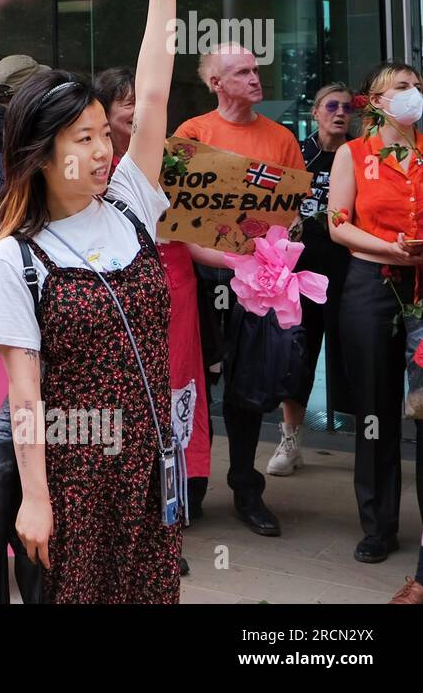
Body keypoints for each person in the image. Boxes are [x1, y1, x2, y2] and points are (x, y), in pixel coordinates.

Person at [0, 0, 194, 603]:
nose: (105, 151)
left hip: (151, 466)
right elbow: (24, 399)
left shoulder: (130, 203)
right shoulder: (17, 257)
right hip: (74, 478)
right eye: (86, 138)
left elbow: (154, 97)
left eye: (106, 134)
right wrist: (36, 500)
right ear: (42, 153)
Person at [174, 43, 304, 539]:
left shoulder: (282, 138)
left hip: (262, 282)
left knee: (250, 385)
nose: (255, 78)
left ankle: (248, 490)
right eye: (242, 72)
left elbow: (291, 216)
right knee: (196, 384)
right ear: (216, 83)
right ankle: (194, 485)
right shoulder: (193, 133)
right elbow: (178, 214)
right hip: (203, 277)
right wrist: (226, 254)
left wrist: (272, 257)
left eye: (256, 69)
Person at [95, 66, 210, 574]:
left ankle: (163, 528)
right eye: (126, 101)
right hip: (111, 300)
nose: (138, 109)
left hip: (170, 292)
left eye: (141, 99)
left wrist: (252, 255)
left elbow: (196, 230)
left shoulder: (168, 162)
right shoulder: (93, 169)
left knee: (167, 403)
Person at [327, 64, 423, 584]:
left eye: (418, 88)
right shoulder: (354, 153)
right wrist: (388, 247)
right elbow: (337, 223)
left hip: (422, 286)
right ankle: (378, 525)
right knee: (375, 410)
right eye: (402, 89)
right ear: (377, 101)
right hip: (371, 285)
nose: (413, 96)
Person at [267, 84, 354, 476]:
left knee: (355, 354)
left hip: (350, 272)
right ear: (316, 112)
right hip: (301, 273)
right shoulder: (296, 154)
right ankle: (291, 441)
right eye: (331, 106)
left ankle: (370, 442)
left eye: (347, 108)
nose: (340, 113)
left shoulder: (359, 155)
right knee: (298, 357)